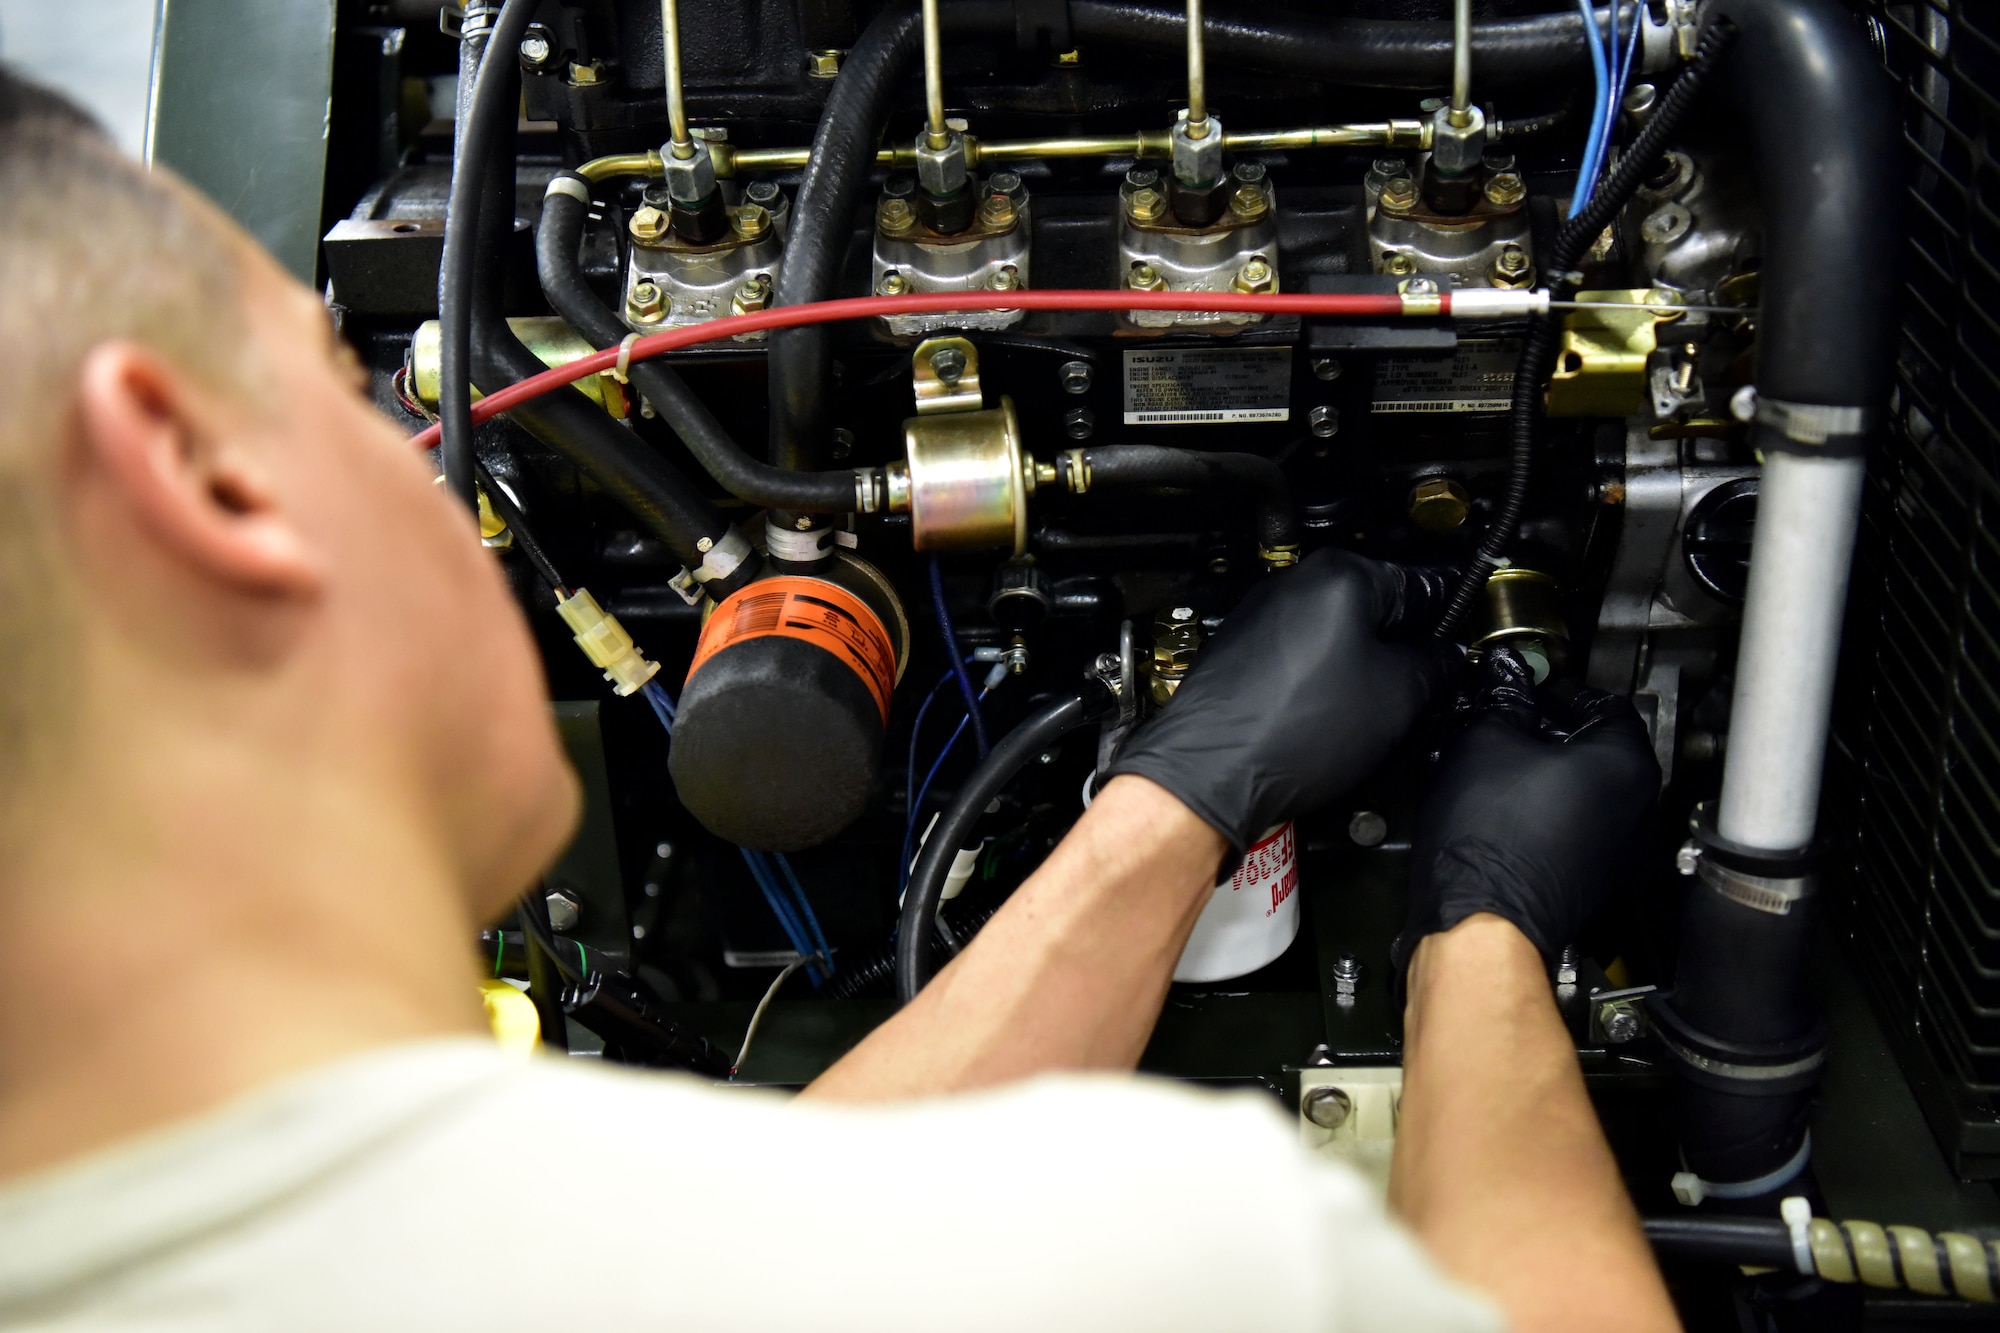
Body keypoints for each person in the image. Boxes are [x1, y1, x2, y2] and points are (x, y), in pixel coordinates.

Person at [0, 71, 1677, 1332]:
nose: (425, 443)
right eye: (353, 392)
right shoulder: (1179, 1256)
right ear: (199, 481)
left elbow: (777, 1239)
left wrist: (1174, 800)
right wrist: (1484, 942)